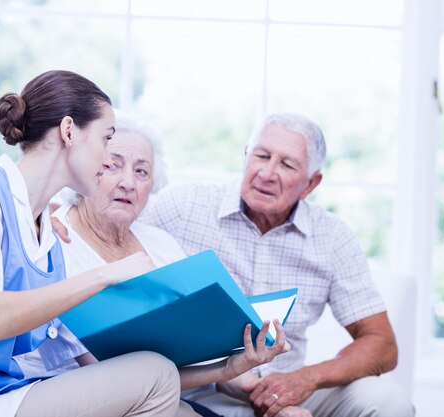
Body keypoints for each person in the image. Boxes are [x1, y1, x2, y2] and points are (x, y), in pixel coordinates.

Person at [0, 70, 199, 417]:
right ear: (69, 131)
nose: (107, 158)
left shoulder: (48, 236)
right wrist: (106, 274)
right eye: (106, 139)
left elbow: (95, 359)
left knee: (170, 395)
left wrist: (227, 370)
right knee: (155, 374)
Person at [141, 112, 415, 417]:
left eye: (287, 164)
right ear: (246, 155)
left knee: (389, 400)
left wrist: (306, 379)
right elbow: (113, 238)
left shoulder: (332, 237)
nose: (267, 173)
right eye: (262, 155)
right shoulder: (185, 206)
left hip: (289, 387)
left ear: (311, 183)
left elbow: (382, 345)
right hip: (203, 387)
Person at [51, 113, 292, 417]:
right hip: (85, 399)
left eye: (142, 172)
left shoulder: (159, 243)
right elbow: (108, 372)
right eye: (112, 165)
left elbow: (182, 363)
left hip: (160, 395)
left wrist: (240, 366)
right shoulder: (52, 238)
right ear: (85, 168)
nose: (128, 183)